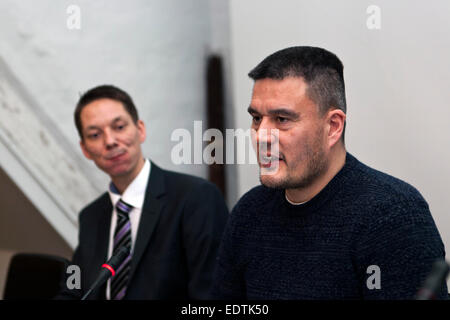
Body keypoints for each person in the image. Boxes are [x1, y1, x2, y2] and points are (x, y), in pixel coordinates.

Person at [212, 46, 448, 299]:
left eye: (281, 119)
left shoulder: (392, 215)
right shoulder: (250, 212)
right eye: (257, 119)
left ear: (333, 127)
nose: (261, 137)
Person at [56, 85, 228, 300]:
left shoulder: (196, 198)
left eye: (119, 127)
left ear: (140, 130)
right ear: (85, 149)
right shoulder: (91, 216)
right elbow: (74, 287)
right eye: (95, 134)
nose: (109, 141)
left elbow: (212, 294)